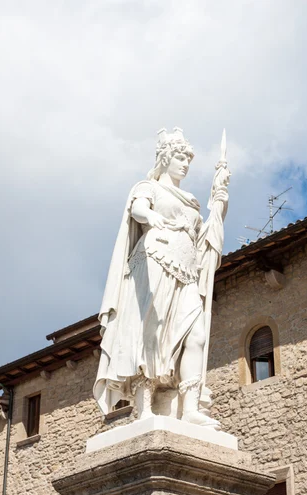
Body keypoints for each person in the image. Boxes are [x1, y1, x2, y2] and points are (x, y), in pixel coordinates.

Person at [93, 128, 228, 428]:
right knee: (149, 336)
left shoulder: (191, 202)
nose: (185, 165)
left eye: (187, 160)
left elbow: (202, 240)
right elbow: (138, 208)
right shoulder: (148, 187)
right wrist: (150, 216)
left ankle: (190, 407)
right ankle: (144, 408)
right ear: (165, 158)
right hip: (154, 264)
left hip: (186, 270)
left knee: (196, 335)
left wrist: (219, 204)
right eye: (179, 158)